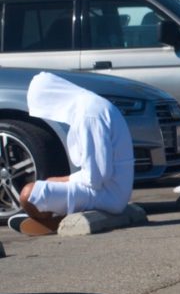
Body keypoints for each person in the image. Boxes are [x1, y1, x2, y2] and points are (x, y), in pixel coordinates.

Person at [9, 72, 134, 236]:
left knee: (28, 194)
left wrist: (59, 181)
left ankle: (52, 219)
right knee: (42, 190)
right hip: (111, 189)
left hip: (108, 196)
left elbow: (95, 177)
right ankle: (53, 209)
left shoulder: (88, 115)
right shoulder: (89, 105)